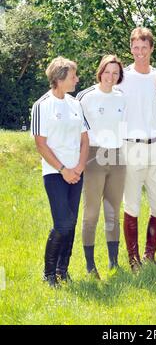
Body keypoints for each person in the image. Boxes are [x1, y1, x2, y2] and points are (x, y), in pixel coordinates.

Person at [30, 56, 89, 287]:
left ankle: (63, 271)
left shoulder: (76, 104)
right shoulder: (42, 105)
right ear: (60, 77)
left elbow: (85, 139)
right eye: (73, 75)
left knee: (71, 222)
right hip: (55, 173)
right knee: (63, 223)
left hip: (77, 171)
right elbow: (40, 144)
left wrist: (80, 167)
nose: (77, 79)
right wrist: (64, 170)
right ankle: (48, 274)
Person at [116, 27, 156, 271]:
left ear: (151, 49)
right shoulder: (122, 78)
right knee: (132, 205)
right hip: (131, 147)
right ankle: (133, 258)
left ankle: (150, 254)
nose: (139, 52)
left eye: (144, 48)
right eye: (135, 48)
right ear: (131, 49)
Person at [77, 55, 126, 277]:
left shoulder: (122, 97)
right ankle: (90, 265)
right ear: (100, 72)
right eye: (107, 71)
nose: (111, 76)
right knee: (91, 213)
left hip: (117, 157)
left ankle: (113, 263)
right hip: (94, 156)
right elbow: (77, 130)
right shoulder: (85, 97)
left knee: (113, 212)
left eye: (115, 73)